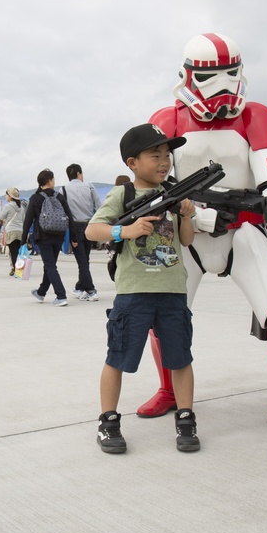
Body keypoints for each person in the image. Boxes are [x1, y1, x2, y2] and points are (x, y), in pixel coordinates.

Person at [137, 32, 267, 451]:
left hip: (241, 231)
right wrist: (191, 213)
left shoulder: (255, 115)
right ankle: (172, 391)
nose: (224, 84)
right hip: (188, 232)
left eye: (231, 72)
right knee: (165, 319)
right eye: (213, 75)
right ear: (189, 74)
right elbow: (159, 183)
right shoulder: (168, 119)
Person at [87, 123, 198, 453]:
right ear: (132, 162)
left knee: (180, 358)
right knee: (118, 357)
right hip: (134, 291)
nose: (164, 161)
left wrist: (188, 216)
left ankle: (186, 419)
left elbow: (186, 240)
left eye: (167, 155)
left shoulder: (176, 195)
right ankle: (108, 422)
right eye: (155, 155)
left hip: (173, 291)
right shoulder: (124, 195)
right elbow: (94, 230)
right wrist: (127, 230)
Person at [22, 169, 74, 306]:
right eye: (53, 179)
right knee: (50, 266)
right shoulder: (59, 197)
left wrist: (23, 239)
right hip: (58, 236)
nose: (54, 181)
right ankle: (41, 292)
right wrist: (73, 236)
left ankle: (61, 296)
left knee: (50, 266)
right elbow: (70, 217)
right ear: (49, 181)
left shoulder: (35, 198)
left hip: (43, 236)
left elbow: (28, 221)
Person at [62, 163, 103, 301]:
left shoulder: (63, 190)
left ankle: (90, 289)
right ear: (79, 173)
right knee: (85, 258)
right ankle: (81, 287)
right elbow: (99, 207)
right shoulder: (90, 187)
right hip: (90, 225)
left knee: (82, 260)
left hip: (74, 227)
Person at [0, 187, 27, 276]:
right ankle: (20, 269)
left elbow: (1, 217)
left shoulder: (8, 206)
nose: (6, 196)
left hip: (11, 231)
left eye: (7, 194)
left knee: (13, 251)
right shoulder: (21, 207)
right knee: (19, 251)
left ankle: (16, 270)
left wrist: (0, 207)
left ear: (10, 196)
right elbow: (23, 219)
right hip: (20, 230)